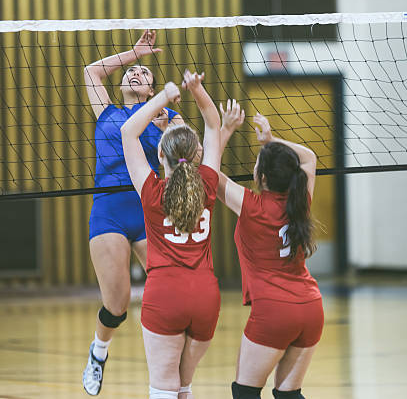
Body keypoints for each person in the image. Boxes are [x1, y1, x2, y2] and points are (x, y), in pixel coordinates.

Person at [82, 30, 183, 396]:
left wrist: (172, 129)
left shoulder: (166, 116)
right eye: (132, 72)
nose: (136, 74)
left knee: (169, 287)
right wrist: (134, 53)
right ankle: (99, 350)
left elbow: (191, 151)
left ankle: (166, 368)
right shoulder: (106, 111)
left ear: (152, 90)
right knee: (118, 304)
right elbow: (91, 72)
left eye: (145, 74)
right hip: (108, 210)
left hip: (148, 209)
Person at [121, 70, 221, 399]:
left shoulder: (152, 192)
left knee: (164, 387)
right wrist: (197, 90)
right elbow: (213, 123)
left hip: (165, 296)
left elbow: (128, 132)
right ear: (198, 157)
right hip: (206, 297)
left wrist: (163, 95)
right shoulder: (208, 183)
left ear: (160, 155)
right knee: (184, 386)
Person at [218, 101, 324, 399]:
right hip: (311, 307)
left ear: (261, 177)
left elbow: (208, 174)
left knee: (245, 393)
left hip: (275, 312)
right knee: (288, 395)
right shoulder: (300, 197)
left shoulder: (251, 205)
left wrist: (225, 130)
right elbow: (309, 157)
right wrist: (270, 139)